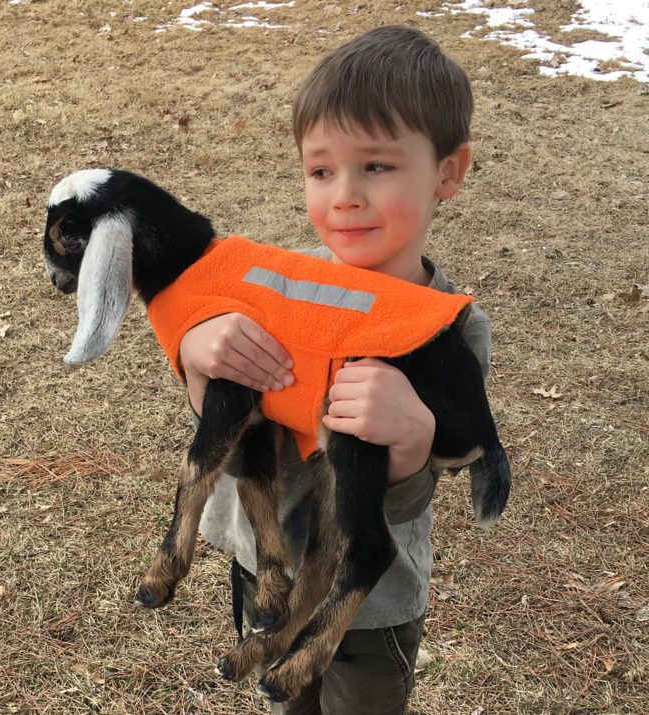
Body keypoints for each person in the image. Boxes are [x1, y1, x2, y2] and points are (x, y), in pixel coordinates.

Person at [179, 25, 491, 715]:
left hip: (370, 610)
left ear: (449, 171)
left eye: (376, 166)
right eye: (321, 170)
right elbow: (225, 423)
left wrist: (410, 445)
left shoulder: (450, 328)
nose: (344, 194)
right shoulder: (277, 290)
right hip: (264, 571)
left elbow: (408, 502)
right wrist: (197, 350)